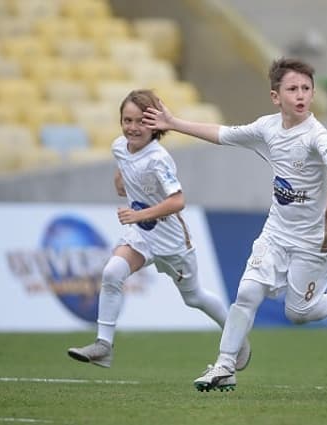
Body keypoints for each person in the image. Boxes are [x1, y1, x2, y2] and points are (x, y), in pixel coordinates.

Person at [142, 58, 327, 392]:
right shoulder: (267, 128)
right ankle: (225, 366)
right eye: (292, 89)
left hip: (313, 240)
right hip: (276, 231)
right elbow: (221, 134)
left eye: (306, 88)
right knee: (247, 292)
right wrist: (173, 122)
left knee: (298, 313)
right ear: (276, 97)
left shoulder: (317, 135)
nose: (301, 95)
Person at [67, 90, 250, 371]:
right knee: (112, 272)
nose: (132, 127)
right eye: (127, 120)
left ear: (154, 125)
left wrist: (138, 213)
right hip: (141, 235)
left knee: (194, 297)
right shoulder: (120, 146)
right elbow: (123, 173)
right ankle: (103, 346)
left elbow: (178, 201)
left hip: (171, 240)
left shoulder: (159, 158)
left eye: (141, 121)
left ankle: (236, 336)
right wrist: (122, 180)